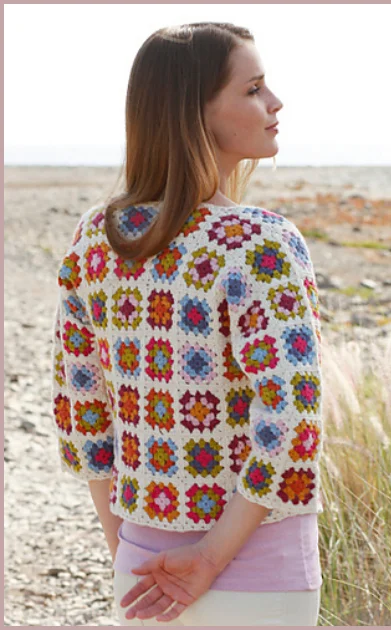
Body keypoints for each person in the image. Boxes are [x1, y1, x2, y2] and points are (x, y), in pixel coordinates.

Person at [51, 23, 323, 625]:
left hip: (142, 569)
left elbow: (82, 412)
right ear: (191, 113)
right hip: (262, 571)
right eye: (252, 89)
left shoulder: (98, 240)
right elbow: (291, 420)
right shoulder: (259, 242)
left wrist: (123, 547)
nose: (274, 103)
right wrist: (208, 557)